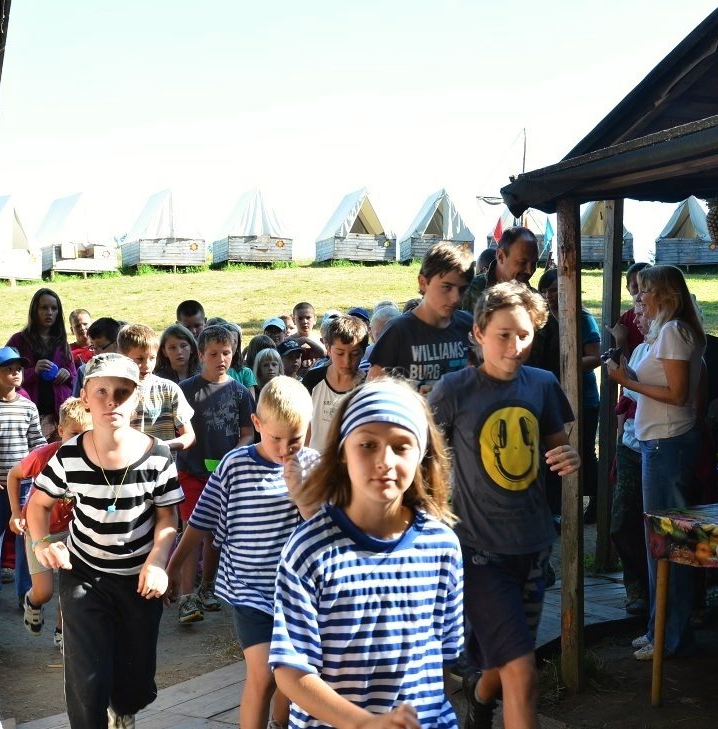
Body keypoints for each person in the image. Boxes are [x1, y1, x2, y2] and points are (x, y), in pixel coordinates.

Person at [428, 281, 580, 729]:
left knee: (509, 659)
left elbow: (559, 448)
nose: (515, 347)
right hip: (479, 553)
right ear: (478, 333)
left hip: (533, 547)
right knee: (523, 674)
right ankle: (483, 694)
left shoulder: (543, 384)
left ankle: (479, 696)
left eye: (524, 335)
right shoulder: (454, 390)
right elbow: (420, 453)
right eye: (504, 335)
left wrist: (570, 458)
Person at [270, 379, 464, 729]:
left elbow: (442, 662)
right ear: (342, 451)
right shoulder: (307, 550)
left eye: (401, 446)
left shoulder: (442, 546)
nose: (384, 461)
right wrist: (364, 724)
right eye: (368, 445)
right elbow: (291, 672)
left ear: (421, 454)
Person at [26, 353, 182, 728]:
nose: (111, 401)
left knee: (136, 682)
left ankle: (123, 709)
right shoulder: (68, 456)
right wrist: (42, 542)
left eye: (122, 392)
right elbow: (38, 505)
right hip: (85, 576)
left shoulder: (158, 457)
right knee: (87, 679)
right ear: (85, 398)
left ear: (137, 398)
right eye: (101, 392)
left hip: (138, 581)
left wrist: (158, 561)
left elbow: (168, 517)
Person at [167, 376, 319, 729]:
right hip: (248, 590)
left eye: (295, 440)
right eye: (276, 438)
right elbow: (201, 520)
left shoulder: (314, 466)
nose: (284, 449)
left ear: (308, 430)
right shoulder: (234, 465)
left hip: (297, 595)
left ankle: (280, 724)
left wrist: (301, 495)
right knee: (263, 676)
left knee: (291, 675)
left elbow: (323, 529)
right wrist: (173, 566)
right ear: (256, 423)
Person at [604, 264, 705, 661]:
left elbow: (678, 395)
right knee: (659, 543)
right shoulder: (662, 333)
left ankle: (670, 636)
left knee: (668, 543)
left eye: (645, 290)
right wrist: (623, 370)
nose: (638, 297)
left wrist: (626, 381)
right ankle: (658, 629)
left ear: (666, 295)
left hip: (667, 445)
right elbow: (652, 387)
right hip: (656, 444)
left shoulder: (675, 331)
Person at [177, 325, 256, 623]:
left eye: (226, 353)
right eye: (213, 354)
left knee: (215, 534)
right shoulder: (185, 390)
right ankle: (186, 597)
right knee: (192, 530)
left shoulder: (240, 392)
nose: (220, 359)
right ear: (200, 355)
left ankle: (207, 587)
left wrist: (233, 455)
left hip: (223, 476)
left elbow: (248, 433)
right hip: (191, 471)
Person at [7, 396, 91, 649]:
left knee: (71, 588)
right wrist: (15, 512)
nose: (79, 441)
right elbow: (14, 474)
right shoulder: (44, 456)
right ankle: (32, 601)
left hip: (71, 530)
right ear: (61, 431)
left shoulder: (93, 458)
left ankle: (62, 632)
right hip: (38, 530)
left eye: (86, 434)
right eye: (74, 434)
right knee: (44, 591)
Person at [0, 346, 47, 608]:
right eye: (8, 369)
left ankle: (24, 593)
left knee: (24, 540)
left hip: (24, 487)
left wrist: (41, 466)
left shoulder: (28, 407)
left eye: (18, 369)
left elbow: (37, 441)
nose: (15, 373)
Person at [536, 268, 601, 524]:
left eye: (554, 290)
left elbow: (595, 357)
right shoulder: (541, 320)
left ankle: (596, 501)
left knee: (583, 450)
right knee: (553, 453)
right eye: (545, 291)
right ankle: (554, 509)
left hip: (583, 399)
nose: (549, 296)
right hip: (551, 398)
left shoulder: (583, 319)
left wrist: (566, 366)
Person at [368, 242, 475, 393]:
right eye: (446, 287)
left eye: (462, 289)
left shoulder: (469, 325)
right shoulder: (398, 331)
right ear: (423, 283)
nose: (455, 298)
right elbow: (372, 391)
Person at [611, 290, 651, 617]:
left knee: (659, 525)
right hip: (630, 444)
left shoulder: (676, 344)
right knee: (622, 523)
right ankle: (636, 589)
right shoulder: (638, 350)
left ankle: (661, 594)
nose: (634, 316)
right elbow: (626, 396)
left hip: (659, 446)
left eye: (641, 308)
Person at [6, 288, 77, 439]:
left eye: (54, 308)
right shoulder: (18, 341)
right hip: (27, 416)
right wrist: (33, 372)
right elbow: (4, 375)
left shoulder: (62, 342)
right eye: (44, 308)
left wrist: (67, 374)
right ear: (35, 310)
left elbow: (74, 377)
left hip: (58, 418)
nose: (49, 312)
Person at [117, 324, 196, 453]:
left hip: (161, 463)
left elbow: (189, 436)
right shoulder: (114, 391)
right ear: (122, 356)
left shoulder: (169, 389)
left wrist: (160, 447)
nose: (147, 365)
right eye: (139, 359)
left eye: (152, 358)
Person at [300, 315, 368, 450]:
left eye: (355, 354)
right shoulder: (313, 379)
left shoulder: (367, 387)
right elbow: (303, 424)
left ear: (363, 352)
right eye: (340, 353)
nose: (347, 361)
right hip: (315, 458)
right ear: (328, 348)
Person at [460, 226, 539, 313]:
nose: (529, 271)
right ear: (501, 256)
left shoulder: (536, 300)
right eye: (522, 262)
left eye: (534, 263)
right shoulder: (467, 291)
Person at [607, 262, 651, 360]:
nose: (640, 292)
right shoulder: (626, 320)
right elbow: (627, 362)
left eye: (644, 286)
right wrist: (620, 339)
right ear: (628, 289)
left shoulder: (664, 321)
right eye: (635, 286)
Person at [74, 317, 123, 396]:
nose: (96, 352)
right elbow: (76, 402)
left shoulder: (130, 369)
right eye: (93, 346)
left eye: (100, 346)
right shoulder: (84, 371)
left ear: (116, 344)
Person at [358, 304, 400, 374]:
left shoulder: (412, 366)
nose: (386, 340)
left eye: (393, 335)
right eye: (380, 335)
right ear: (372, 335)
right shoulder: (364, 370)